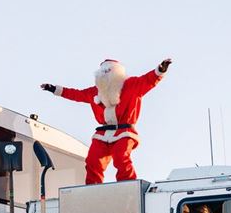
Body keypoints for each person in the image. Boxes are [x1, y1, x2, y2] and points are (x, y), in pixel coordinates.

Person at [41, 58, 171, 184]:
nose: (105, 75)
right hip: (103, 134)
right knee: (93, 160)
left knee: (121, 157)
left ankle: (127, 185)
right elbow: (76, 94)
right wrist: (54, 89)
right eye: (103, 72)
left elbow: (147, 80)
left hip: (124, 131)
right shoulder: (95, 92)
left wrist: (160, 70)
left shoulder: (131, 85)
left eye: (108, 71)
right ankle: (92, 188)